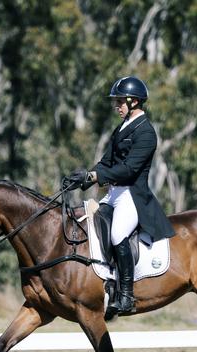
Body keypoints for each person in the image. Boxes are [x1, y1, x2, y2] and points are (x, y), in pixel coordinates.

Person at [65, 76, 175, 316]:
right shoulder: (122, 127)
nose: (116, 106)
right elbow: (106, 162)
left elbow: (129, 169)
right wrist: (85, 176)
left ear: (133, 101)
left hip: (132, 196)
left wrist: (95, 177)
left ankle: (126, 295)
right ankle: (105, 282)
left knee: (117, 234)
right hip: (114, 194)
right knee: (92, 227)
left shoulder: (146, 132)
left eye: (119, 101)